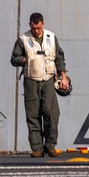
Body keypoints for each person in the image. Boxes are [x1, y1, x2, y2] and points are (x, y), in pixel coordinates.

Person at [10, 12, 68, 157]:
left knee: (51, 113)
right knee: (33, 114)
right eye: (34, 27)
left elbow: (59, 58)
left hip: (48, 79)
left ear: (43, 24)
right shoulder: (23, 39)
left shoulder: (51, 38)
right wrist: (23, 60)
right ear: (30, 24)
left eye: (38, 27)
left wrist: (63, 77)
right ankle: (37, 148)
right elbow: (13, 59)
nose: (36, 31)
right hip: (31, 80)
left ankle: (50, 145)